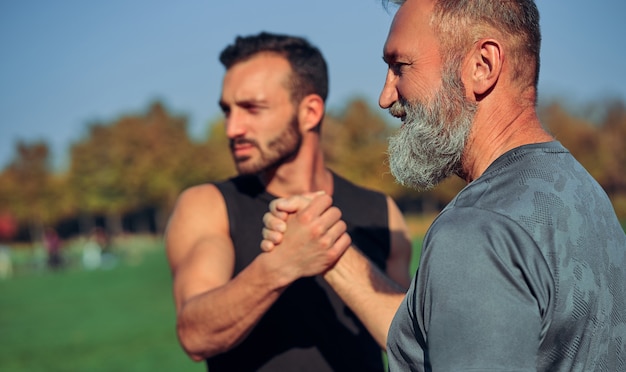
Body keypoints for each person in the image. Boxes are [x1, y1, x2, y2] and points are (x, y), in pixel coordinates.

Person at [261, 0, 626, 371]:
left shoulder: (477, 228)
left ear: (482, 66)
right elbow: (438, 339)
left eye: (399, 67)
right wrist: (329, 251)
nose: (385, 97)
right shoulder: (583, 193)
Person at [164, 31, 412, 371]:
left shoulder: (382, 212)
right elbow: (195, 335)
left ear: (309, 112)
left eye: (252, 108)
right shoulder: (208, 205)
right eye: (227, 111)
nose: (232, 128)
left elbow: (411, 341)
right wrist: (282, 264)